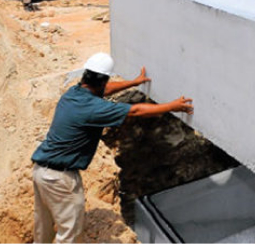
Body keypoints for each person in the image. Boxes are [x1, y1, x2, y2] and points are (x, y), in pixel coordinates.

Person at [31, 53, 194, 243]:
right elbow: (135, 110)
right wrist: (171, 106)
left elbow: (105, 89)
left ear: (86, 75)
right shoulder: (94, 108)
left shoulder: (73, 93)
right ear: (103, 80)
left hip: (41, 172)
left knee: (43, 226)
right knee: (70, 234)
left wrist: (133, 82)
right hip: (61, 179)